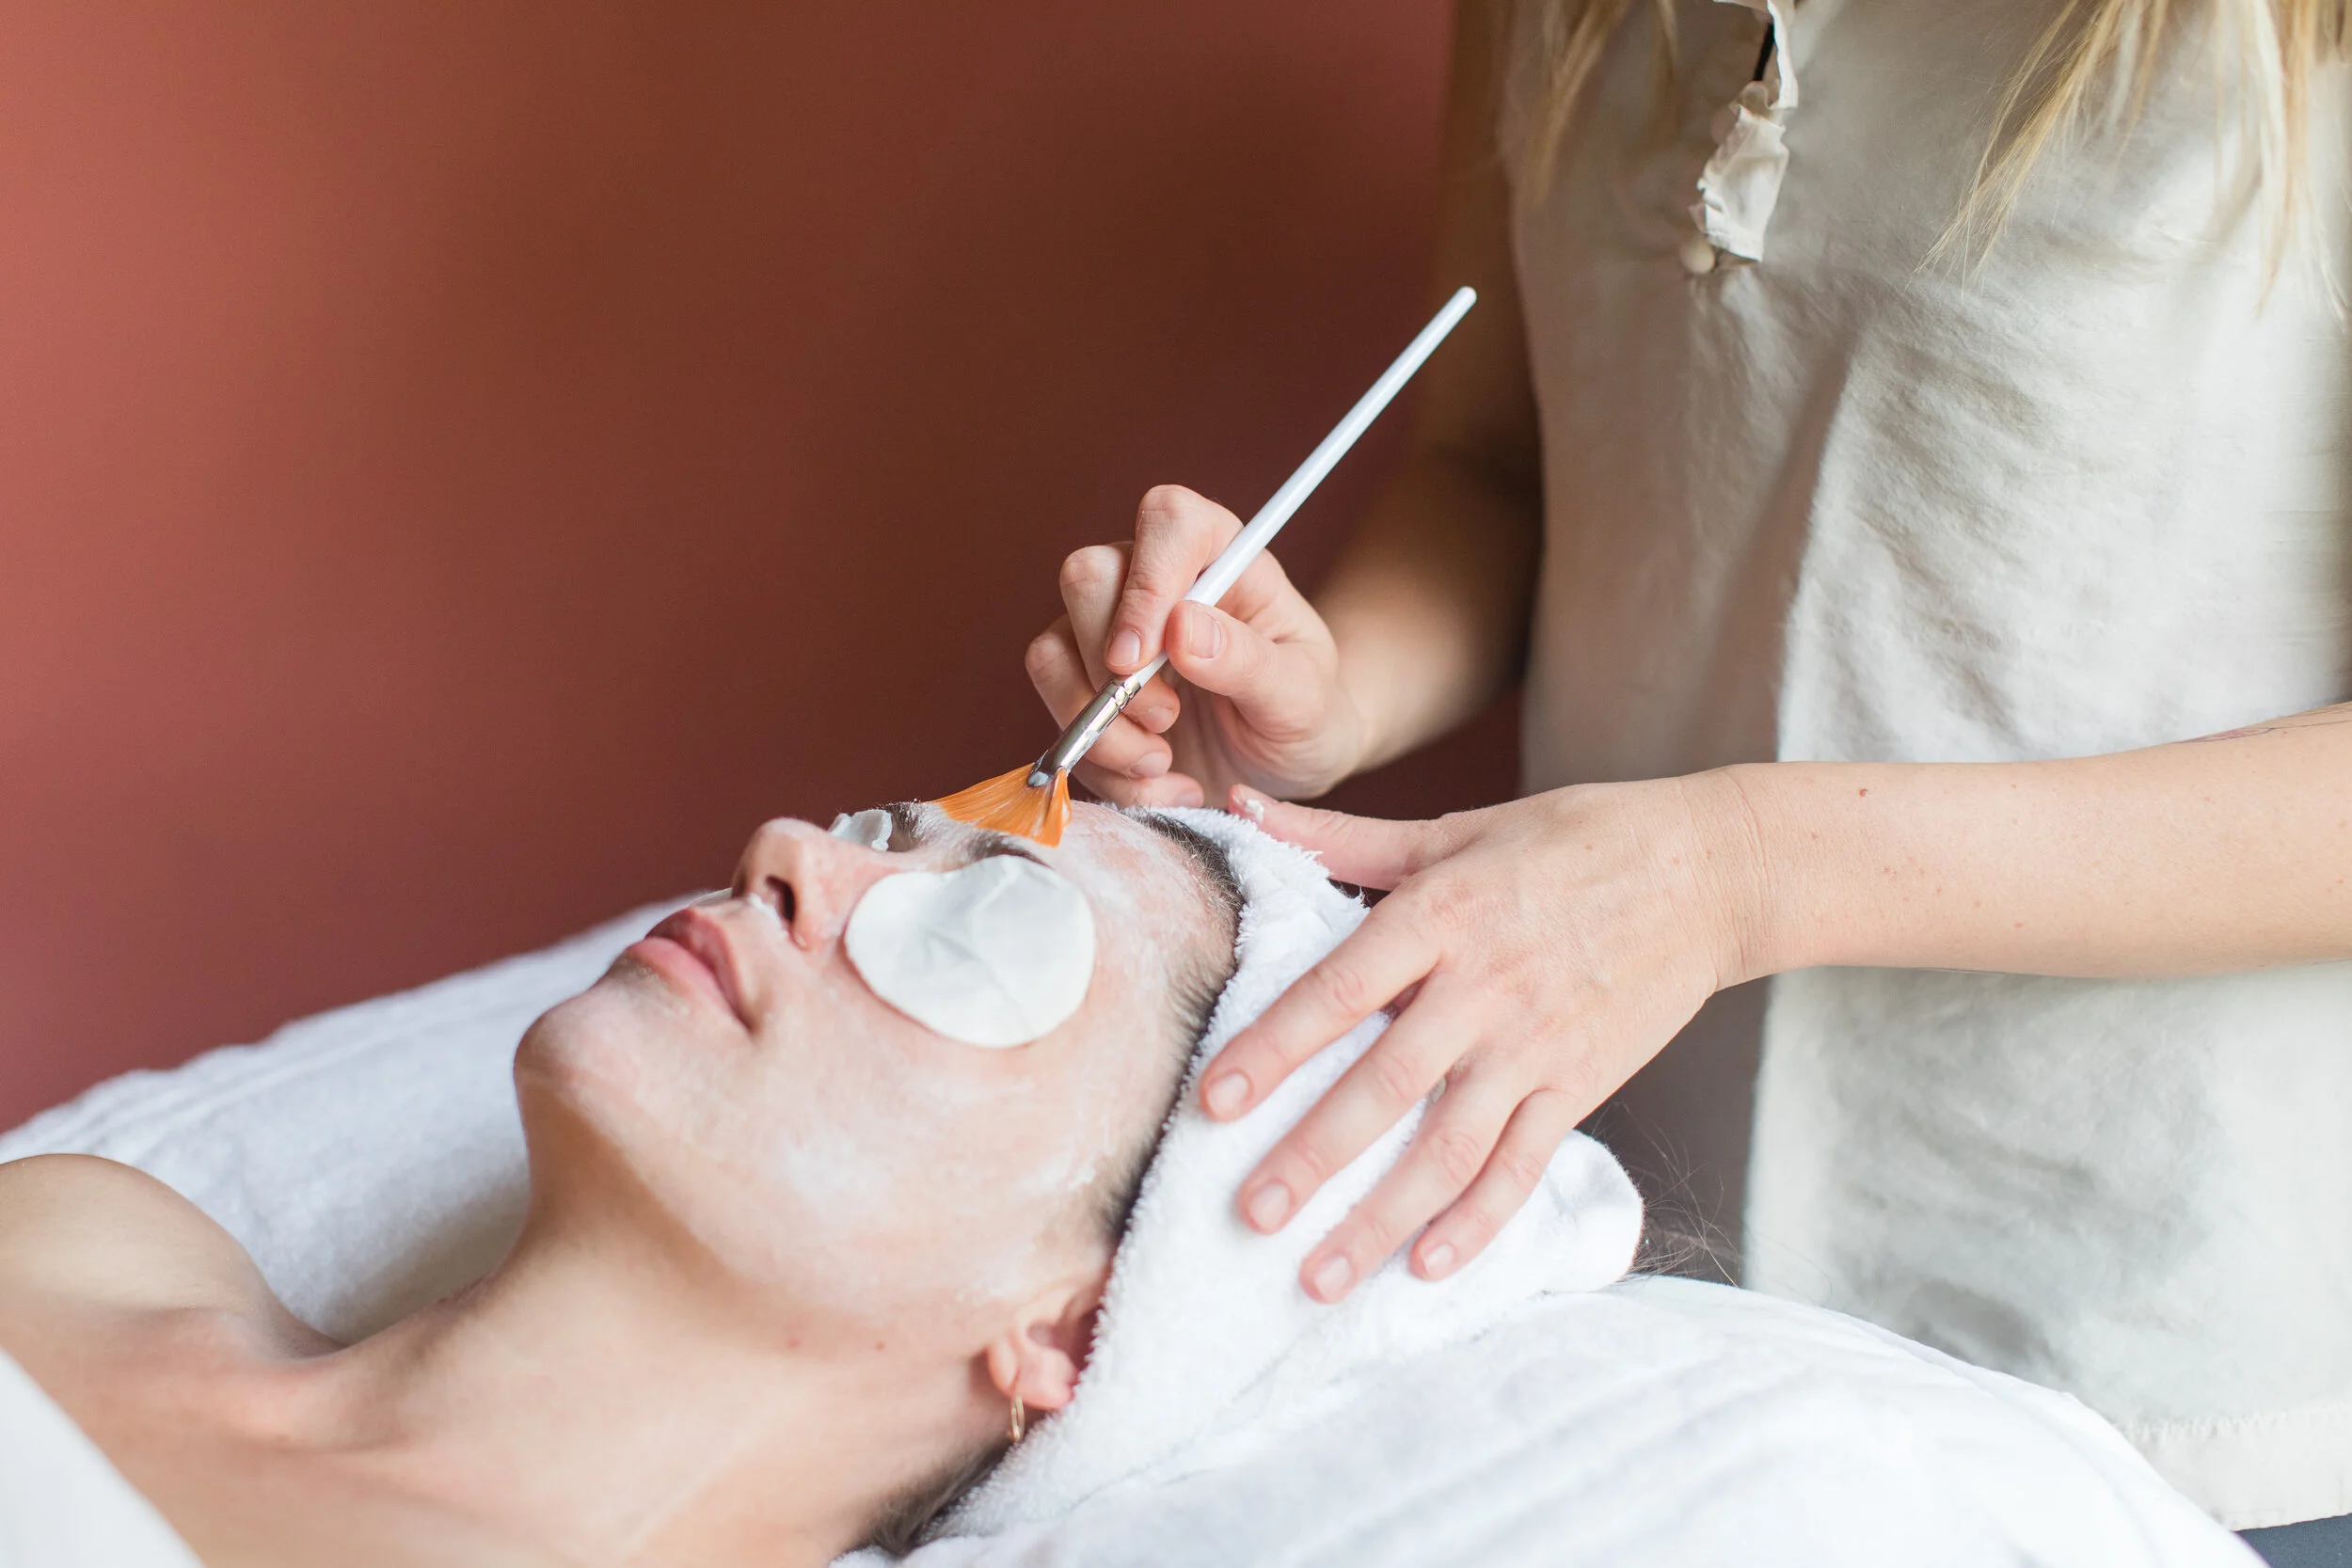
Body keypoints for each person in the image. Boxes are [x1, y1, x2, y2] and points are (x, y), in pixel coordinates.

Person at [1024, 0, 2352, 1540]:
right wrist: (1327, 696)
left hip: (2171, 1386)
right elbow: (1500, 467)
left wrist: (1736, 873)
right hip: (1651, 1323)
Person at [0, 801, 1240, 1567]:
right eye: (878, 834)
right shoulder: (78, 1237)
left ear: (1078, 1326)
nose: (788, 848)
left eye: (980, 929)